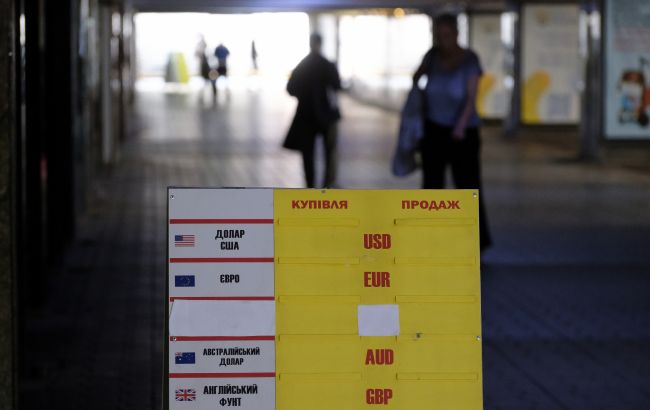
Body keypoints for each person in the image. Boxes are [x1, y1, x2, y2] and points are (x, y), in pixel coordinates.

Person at [412, 13, 492, 251]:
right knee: (431, 186)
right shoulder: (432, 56)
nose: (442, 40)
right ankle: (430, 238)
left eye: (446, 35)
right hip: (434, 128)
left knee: (467, 188)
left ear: (456, 34)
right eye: (438, 35)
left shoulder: (469, 59)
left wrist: (460, 126)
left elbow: (471, 97)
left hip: (463, 132)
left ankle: (476, 241)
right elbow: (416, 79)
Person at [284, 33, 342, 188]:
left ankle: (310, 185)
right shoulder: (327, 64)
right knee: (330, 151)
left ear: (310, 44)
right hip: (327, 115)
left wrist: (304, 95)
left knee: (308, 153)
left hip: (306, 114)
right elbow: (337, 86)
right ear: (320, 44)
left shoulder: (302, 65)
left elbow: (290, 88)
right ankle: (328, 184)